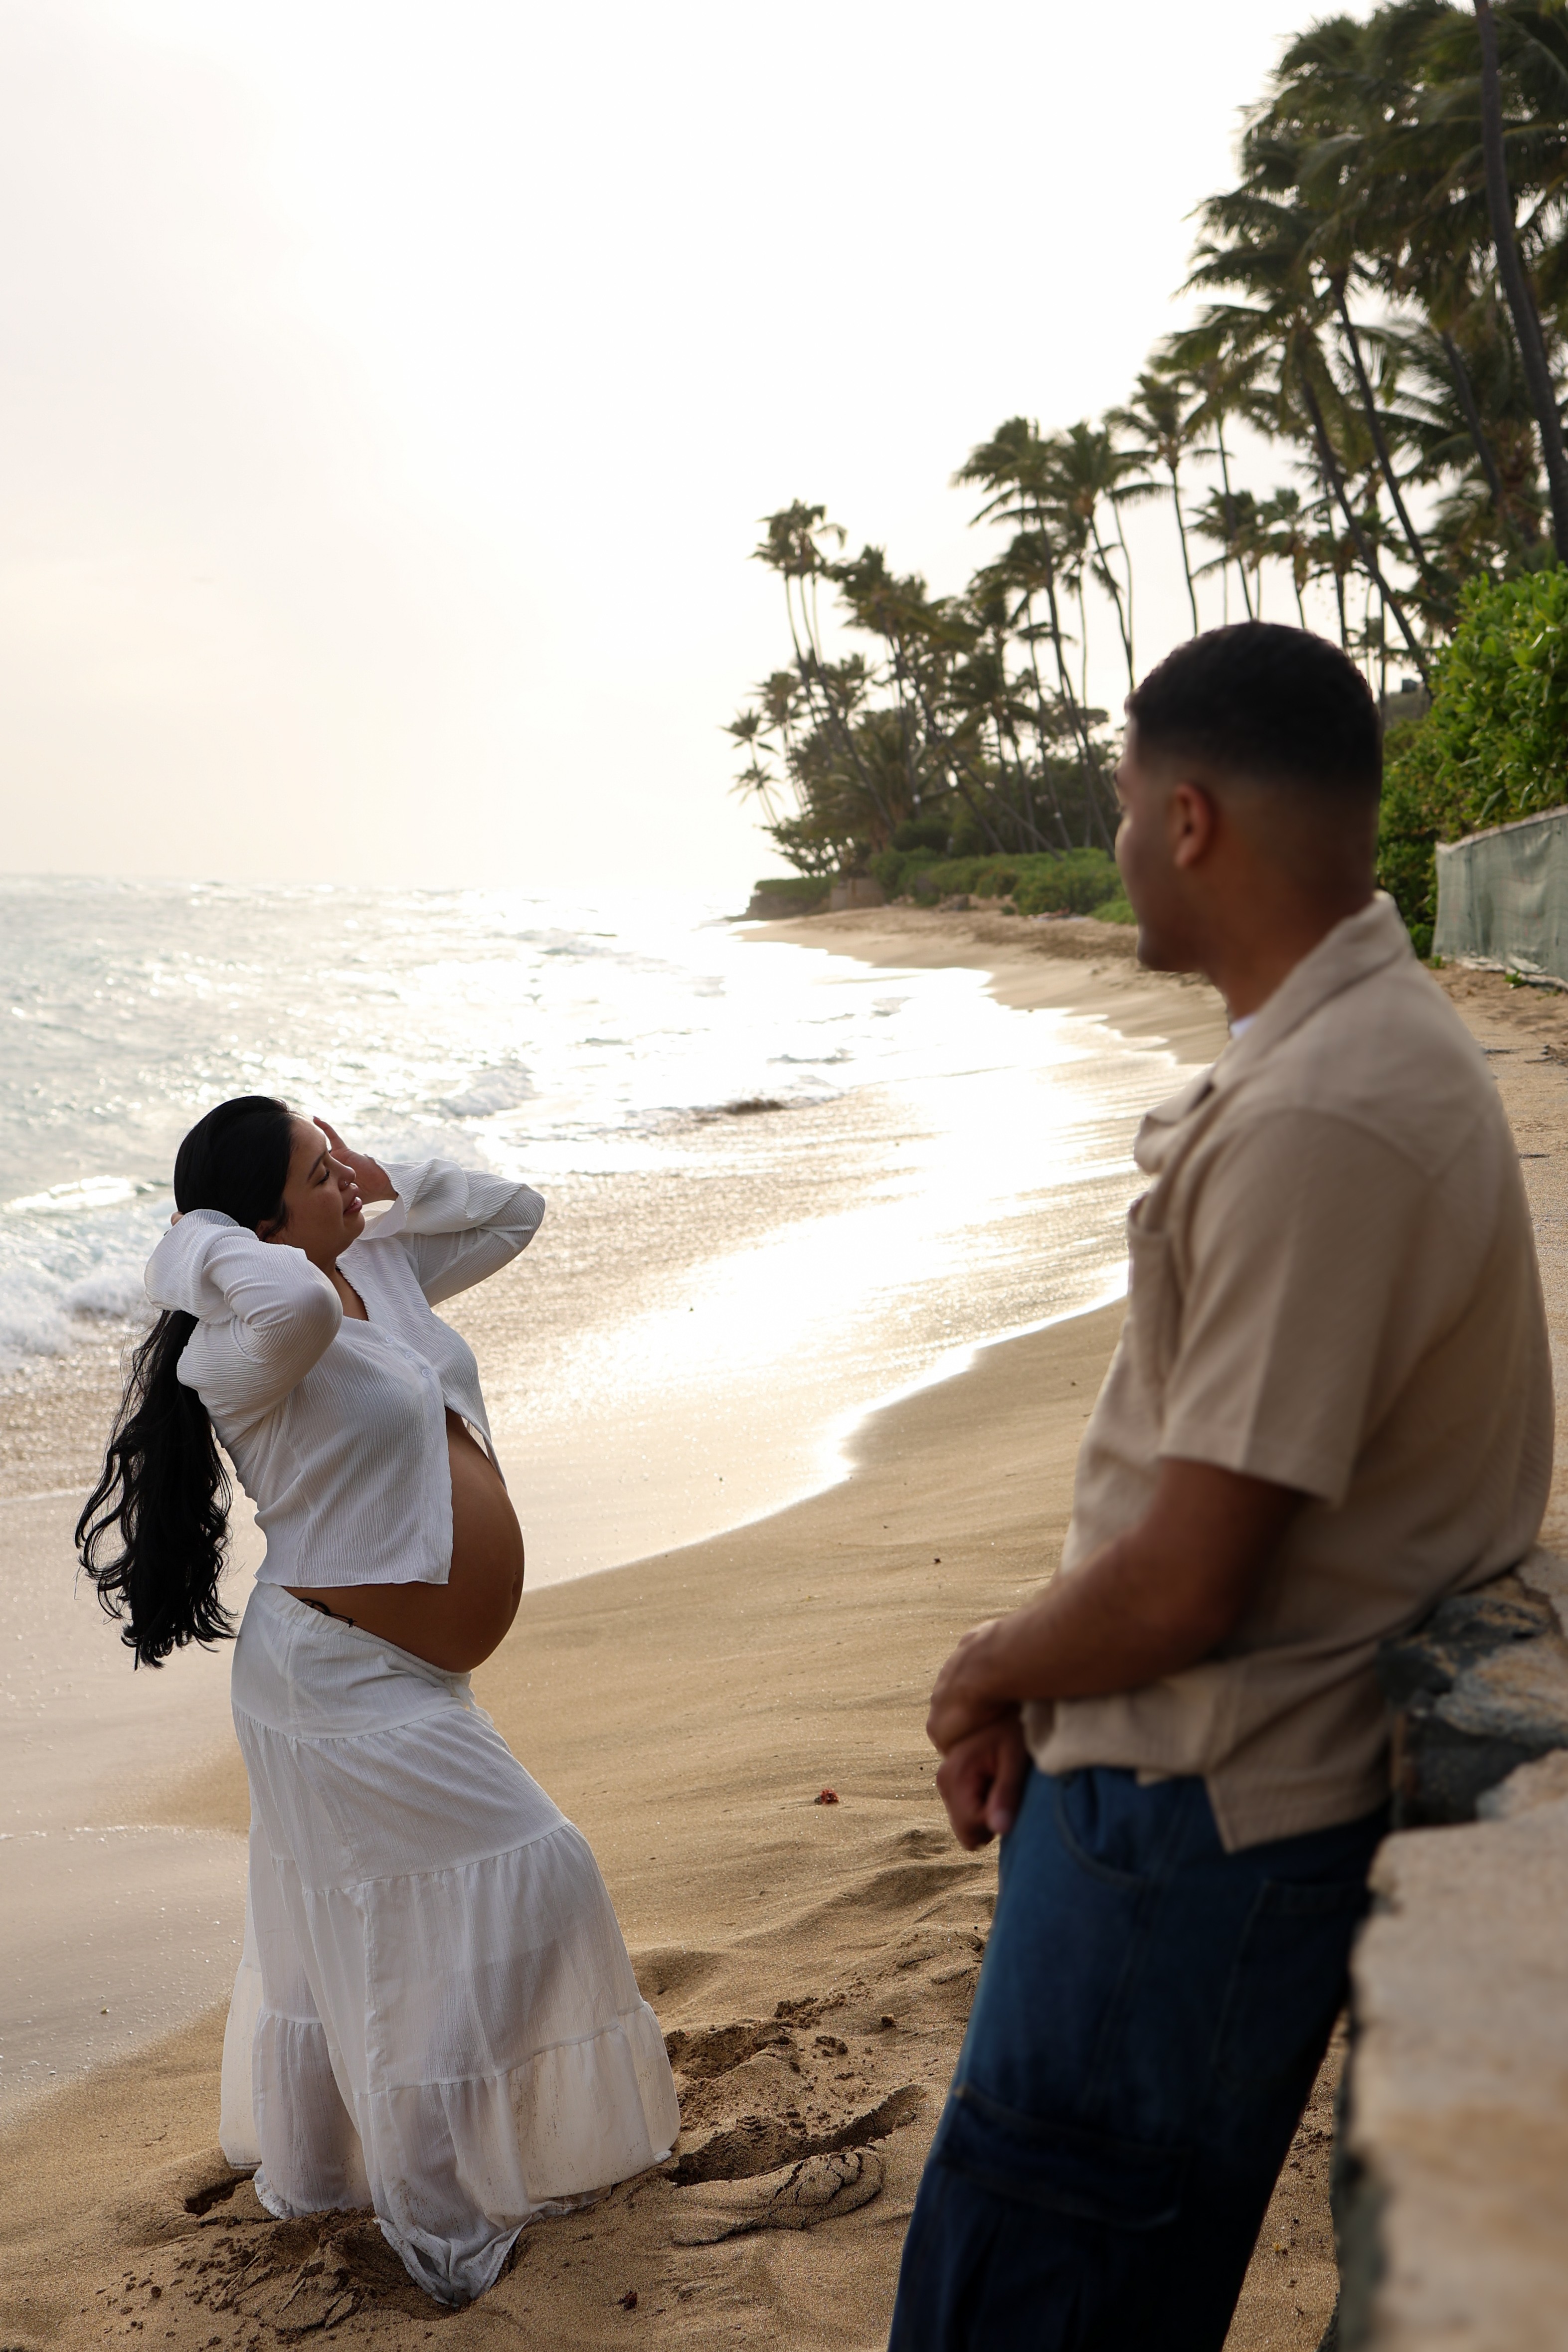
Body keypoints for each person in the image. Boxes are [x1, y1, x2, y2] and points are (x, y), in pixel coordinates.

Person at [889, 622, 1553, 2352]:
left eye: (1121, 804)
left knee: (1032, 2288)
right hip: (1180, 1780)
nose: (1115, 839)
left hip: (1192, 1810)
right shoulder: (1349, 1053)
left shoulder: (1320, 1111)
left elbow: (1191, 1576)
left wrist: (982, 1665)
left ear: (1185, 819)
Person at [78, 1100, 679, 2306]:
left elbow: (513, 1211)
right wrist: (191, 1240)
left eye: (335, 1150)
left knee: (346, 1935)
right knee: (531, 1875)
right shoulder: (245, 1339)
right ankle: (437, 2216)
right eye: (319, 1171)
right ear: (255, 1228)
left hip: (407, 1673)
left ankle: (338, 2175)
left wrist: (375, 1175)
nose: (344, 1178)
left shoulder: (379, 1266)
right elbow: (296, 1307)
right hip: (330, 1677)